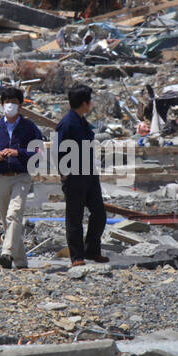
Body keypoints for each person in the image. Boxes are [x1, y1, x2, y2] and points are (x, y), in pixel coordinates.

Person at [0, 86, 42, 269]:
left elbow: (38, 151)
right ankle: (20, 262)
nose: (10, 105)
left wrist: (18, 152)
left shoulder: (29, 128)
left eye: (14, 102)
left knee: (14, 214)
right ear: (2, 105)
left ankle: (6, 254)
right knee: (8, 221)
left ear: (20, 105)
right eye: (7, 102)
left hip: (21, 176)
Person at [57, 84, 107, 267]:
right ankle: (77, 256)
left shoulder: (82, 122)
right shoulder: (67, 123)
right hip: (74, 176)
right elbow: (59, 151)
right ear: (84, 103)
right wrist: (65, 174)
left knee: (99, 214)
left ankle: (92, 249)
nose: (91, 103)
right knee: (74, 217)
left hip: (89, 174)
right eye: (90, 100)